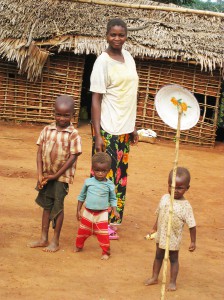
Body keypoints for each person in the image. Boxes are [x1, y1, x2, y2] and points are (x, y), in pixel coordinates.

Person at [90, 18, 139, 238]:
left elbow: (130, 95)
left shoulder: (129, 58)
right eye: (113, 34)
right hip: (108, 129)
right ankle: (98, 221)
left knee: (120, 179)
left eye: (121, 35)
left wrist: (133, 126)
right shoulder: (102, 62)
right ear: (106, 35)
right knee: (104, 178)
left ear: (126, 35)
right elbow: (96, 99)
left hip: (124, 130)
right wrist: (97, 134)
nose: (117, 39)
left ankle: (111, 222)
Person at [28, 95, 82, 252]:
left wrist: (56, 175)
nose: (62, 118)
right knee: (46, 206)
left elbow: (73, 157)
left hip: (61, 177)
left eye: (66, 115)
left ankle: (55, 241)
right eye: (59, 114)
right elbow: (39, 153)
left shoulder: (73, 134)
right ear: (54, 113)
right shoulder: (46, 130)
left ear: (73, 114)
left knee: (57, 207)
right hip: (46, 176)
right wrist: (40, 174)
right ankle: (43, 238)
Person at [145, 167, 196, 291]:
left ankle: (172, 282)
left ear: (187, 188)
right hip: (161, 235)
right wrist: (154, 228)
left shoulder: (186, 206)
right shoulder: (164, 198)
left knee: (173, 259)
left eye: (179, 188)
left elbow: (192, 225)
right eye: (171, 186)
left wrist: (193, 241)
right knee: (158, 256)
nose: (175, 190)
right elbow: (159, 214)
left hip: (174, 237)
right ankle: (154, 277)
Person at [75, 152, 120, 260]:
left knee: (103, 234)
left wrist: (115, 210)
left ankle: (105, 252)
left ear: (108, 171)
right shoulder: (88, 182)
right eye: (97, 170)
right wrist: (78, 210)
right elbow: (81, 196)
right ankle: (78, 246)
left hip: (102, 214)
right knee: (82, 231)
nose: (100, 173)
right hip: (87, 212)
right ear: (92, 169)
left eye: (103, 171)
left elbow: (113, 199)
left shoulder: (109, 185)